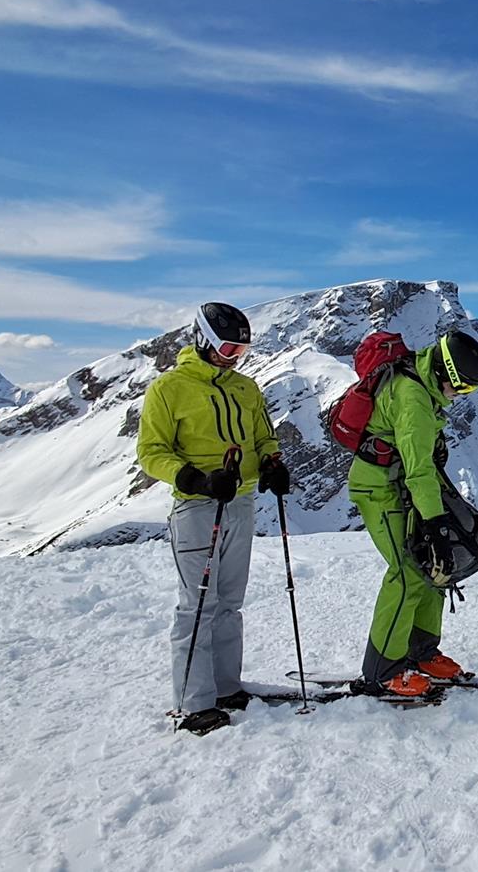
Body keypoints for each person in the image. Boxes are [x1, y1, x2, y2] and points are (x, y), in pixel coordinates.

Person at [136, 302, 291, 735]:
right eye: (227, 348)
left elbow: (263, 436)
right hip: (198, 506)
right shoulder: (169, 389)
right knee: (197, 605)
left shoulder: (246, 388)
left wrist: (272, 464)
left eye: (241, 350)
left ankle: (226, 689)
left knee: (229, 602)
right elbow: (151, 452)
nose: (234, 357)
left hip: (240, 503)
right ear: (203, 339)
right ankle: (193, 703)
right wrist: (196, 480)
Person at [349, 329, 478, 696]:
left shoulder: (423, 381)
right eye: (461, 387)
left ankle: (420, 651)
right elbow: (419, 471)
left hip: (400, 485)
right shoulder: (413, 397)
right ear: (445, 372)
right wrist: (437, 524)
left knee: (433, 567)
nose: (460, 395)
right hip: (380, 489)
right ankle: (382, 670)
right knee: (408, 571)